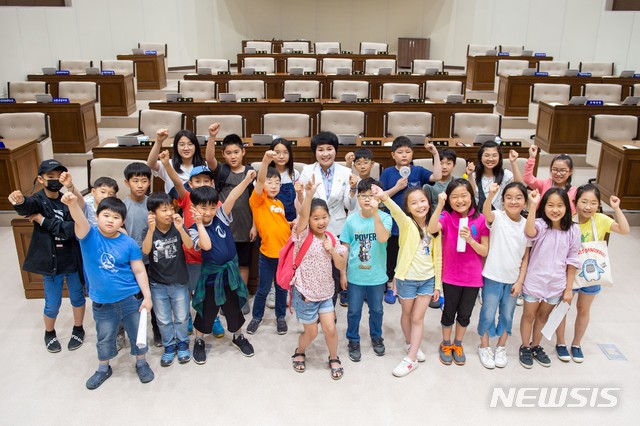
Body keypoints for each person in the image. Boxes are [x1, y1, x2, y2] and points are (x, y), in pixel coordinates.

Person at [62, 193, 154, 390]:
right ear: (97, 216)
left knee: (138, 334)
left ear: (122, 221)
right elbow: (79, 218)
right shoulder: (88, 235)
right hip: (103, 302)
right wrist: (72, 204)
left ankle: (141, 363)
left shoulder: (128, 243)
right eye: (106, 215)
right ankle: (103, 368)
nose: (110, 220)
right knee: (104, 337)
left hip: (131, 299)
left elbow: (139, 270)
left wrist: (147, 296)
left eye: (116, 217)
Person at [8, 160, 85, 353]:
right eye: (50, 177)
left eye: (57, 176)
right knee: (52, 304)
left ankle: (78, 328)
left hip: (72, 259)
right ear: (40, 179)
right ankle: (49, 333)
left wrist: (42, 220)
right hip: (51, 262)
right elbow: (26, 206)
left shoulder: (67, 199)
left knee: (77, 297)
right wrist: (19, 201)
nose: (54, 180)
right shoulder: (38, 200)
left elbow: (70, 230)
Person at [371, 184, 442, 377]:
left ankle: (411, 359)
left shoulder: (435, 226)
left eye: (423, 201)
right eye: (414, 203)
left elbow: (438, 256)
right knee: (407, 315)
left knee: (418, 318)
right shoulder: (406, 223)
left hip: (427, 280)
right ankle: (411, 343)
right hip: (406, 280)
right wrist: (383, 196)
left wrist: (438, 284)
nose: (420, 205)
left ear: (429, 202)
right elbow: (394, 209)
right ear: (408, 208)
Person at [554, 184, 630, 363]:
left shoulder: (601, 220)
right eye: (584, 202)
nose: (588, 207)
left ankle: (576, 344)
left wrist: (617, 208)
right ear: (575, 202)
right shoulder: (567, 220)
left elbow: (625, 229)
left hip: (592, 275)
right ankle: (560, 343)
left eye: (593, 203)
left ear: (598, 205)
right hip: (568, 274)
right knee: (563, 307)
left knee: (583, 309)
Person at [188, 170, 258, 364]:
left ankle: (238, 336)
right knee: (206, 310)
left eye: (212, 206)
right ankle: (199, 340)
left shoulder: (221, 215)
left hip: (231, 274)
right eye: (203, 208)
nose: (209, 212)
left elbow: (234, 195)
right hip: (211, 278)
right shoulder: (193, 229)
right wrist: (200, 224)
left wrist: (246, 180)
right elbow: (207, 245)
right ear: (194, 208)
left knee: (233, 308)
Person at [158, 150, 225, 338]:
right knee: (189, 290)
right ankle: (188, 318)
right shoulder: (187, 198)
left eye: (206, 181)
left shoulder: (217, 203)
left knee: (211, 291)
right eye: (197, 181)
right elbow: (177, 183)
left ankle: (214, 318)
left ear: (212, 183)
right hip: (190, 256)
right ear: (190, 184)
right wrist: (166, 164)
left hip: (211, 258)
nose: (202, 184)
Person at [290, 176, 347, 380]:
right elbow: (303, 216)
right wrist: (309, 195)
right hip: (305, 293)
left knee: (330, 329)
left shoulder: (332, 238)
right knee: (312, 333)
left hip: (326, 292)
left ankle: (333, 357)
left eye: (324, 217)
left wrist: (333, 252)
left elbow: (341, 264)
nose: (321, 221)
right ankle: (299, 351)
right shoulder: (302, 234)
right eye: (316, 218)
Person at [427, 178, 489, 366]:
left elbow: (484, 251)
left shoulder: (480, 220)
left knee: (465, 314)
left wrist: (470, 240)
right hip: (451, 275)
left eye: (464, 195)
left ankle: (457, 343)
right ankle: (446, 343)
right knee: (449, 312)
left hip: (472, 277)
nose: (460, 200)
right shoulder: (446, 217)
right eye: (455, 197)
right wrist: (440, 205)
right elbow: (431, 229)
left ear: (472, 196)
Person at [518, 188, 581, 369]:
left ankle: (536, 346)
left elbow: (572, 261)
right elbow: (529, 232)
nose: (555, 209)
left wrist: (569, 289)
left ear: (567, 208)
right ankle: (525, 346)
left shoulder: (573, 230)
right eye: (550, 205)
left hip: (556, 284)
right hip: (534, 280)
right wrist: (532, 205)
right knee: (528, 315)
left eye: (560, 205)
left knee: (543, 316)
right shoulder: (540, 225)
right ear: (543, 207)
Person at [380, 136, 442, 305]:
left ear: (412, 154)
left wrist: (435, 154)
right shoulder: (387, 173)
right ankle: (393, 286)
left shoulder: (418, 171)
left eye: (408, 152)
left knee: (416, 254)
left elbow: (437, 176)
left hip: (417, 225)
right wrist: (397, 187)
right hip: (394, 225)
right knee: (393, 257)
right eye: (400, 152)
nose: (404, 155)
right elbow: (381, 198)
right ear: (393, 155)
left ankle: (423, 287)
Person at [299, 132, 357, 307]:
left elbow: (350, 204)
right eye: (321, 149)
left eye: (329, 149)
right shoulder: (307, 171)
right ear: (315, 152)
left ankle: (329, 308)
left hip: (337, 227)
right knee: (316, 269)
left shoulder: (346, 172)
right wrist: (304, 193)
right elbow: (303, 204)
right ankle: (314, 304)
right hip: (314, 229)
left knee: (334, 271)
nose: (325, 153)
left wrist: (353, 190)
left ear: (335, 150)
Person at [477, 182, 530, 369]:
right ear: (502, 201)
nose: (513, 201)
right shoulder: (497, 217)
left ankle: (501, 346)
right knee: (488, 313)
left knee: (507, 315)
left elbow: (525, 258)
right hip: (492, 276)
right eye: (508, 197)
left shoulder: (527, 226)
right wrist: (491, 195)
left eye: (518, 198)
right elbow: (486, 212)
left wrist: (520, 280)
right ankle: (484, 346)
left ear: (525, 202)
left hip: (512, 280)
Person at [205, 124, 255, 314]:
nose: (233, 156)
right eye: (228, 153)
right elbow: (209, 159)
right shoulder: (222, 171)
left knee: (243, 265)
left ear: (243, 152)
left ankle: (240, 297)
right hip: (222, 230)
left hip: (245, 228)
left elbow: (257, 202)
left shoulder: (251, 173)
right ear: (223, 154)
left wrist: (255, 226)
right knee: (226, 265)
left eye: (236, 152)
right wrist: (211, 137)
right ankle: (226, 298)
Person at [340, 178, 392, 363]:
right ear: (358, 198)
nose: (367, 200)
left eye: (371, 195)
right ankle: (353, 340)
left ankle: (376, 336)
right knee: (353, 311)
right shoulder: (351, 220)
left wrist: (376, 214)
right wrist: (343, 273)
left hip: (377, 276)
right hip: (355, 275)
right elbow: (344, 247)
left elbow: (383, 238)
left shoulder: (385, 218)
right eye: (363, 196)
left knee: (377, 310)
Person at [142, 192, 194, 367]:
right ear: (152, 214)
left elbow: (189, 245)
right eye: (164, 210)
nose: (169, 213)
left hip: (179, 282)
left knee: (181, 317)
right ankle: (169, 346)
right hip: (158, 284)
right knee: (163, 320)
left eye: (171, 208)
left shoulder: (177, 227)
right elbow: (145, 250)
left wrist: (180, 228)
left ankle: (183, 344)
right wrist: (150, 231)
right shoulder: (148, 230)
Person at [247, 150, 292, 335]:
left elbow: (278, 223)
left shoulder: (279, 204)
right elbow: (258, 182)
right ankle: (257, 317)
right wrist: (265, 162)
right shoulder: (258, 201)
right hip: (267, 255)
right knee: (263, 289)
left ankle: (280, 317)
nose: (274, 186)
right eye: (270, 182)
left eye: (277, 183)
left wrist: (291, 223)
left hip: (284, 254)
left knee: (282, 290)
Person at [122, 162, 162, 346]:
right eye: (135, 181)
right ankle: (129, 331)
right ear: (126, 182)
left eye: (144, 181)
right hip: (130, 261)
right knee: (132, 298)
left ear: (149, 182)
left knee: (153, 296)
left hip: (152, 259)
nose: (140, 185)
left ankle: (157, 329)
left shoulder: (153, 204)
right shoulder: (122, 206)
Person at [146, 128, 207, 197]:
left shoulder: (204, 166)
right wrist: (158, 141)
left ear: (195, 146)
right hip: (173, 206)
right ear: (176, 146)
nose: (186, 148)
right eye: (182, 144)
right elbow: (150, 164)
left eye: (190, 144)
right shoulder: (168, 164)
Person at [466, 141, 519, 211]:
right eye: (487, 155)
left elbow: (519, 185)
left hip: (499, 216)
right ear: (480, 157)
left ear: (499, 157)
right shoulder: (474, 175)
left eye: (494, 155)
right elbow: (471, 194)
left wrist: (513, 162)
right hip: (479, 216)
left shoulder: (505, 174)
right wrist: (469, 176)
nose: (490, 159)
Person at [524, 145, 577, 213]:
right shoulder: (545, 183)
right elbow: (528, 179)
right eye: (555, 170)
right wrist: (532, 157)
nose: (558, 174)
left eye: (562, 170)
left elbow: (572, 212)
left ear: (570, 171)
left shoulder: (574, 191)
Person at [424, 148, 458, 215]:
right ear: (434, 164)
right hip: (436, 220)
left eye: (448, 163)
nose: (444, 167)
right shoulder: (428, 185)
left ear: (454, 165)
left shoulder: (458, 182)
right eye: (441, 163)